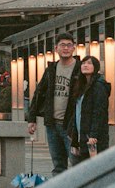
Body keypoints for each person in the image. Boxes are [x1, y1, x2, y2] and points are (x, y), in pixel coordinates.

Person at [26, 34, 83, 176]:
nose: (66, 48)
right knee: (58, 165)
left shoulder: (81, 69)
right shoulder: (52, 69)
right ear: (56, 48)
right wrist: (32, 119)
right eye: (62, 45)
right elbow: (39, 93)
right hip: (52, 125)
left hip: (72, 126)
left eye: (69, 45)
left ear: (74, 48)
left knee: (77, 163)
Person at [69, 55, 110, 161]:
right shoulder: (81, 86)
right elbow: (77, 113)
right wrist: (74, 138)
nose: (85, 65)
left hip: (92, 138)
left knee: (95, 167)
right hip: (81, 135)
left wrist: (94, 135)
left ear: (95, 67)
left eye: (89, 63)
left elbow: (99, 112)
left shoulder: (98, 86)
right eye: (83, 63)